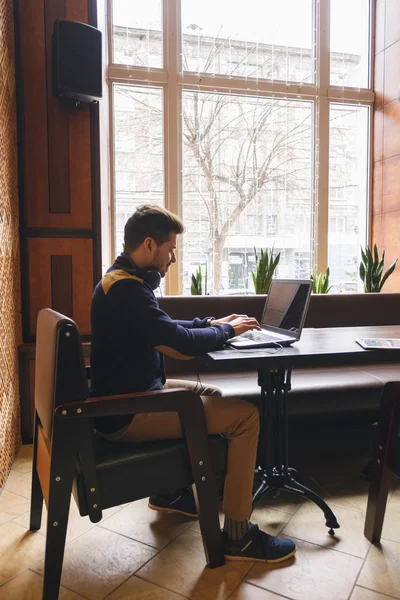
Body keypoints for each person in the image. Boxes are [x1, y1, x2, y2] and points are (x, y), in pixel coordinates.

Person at [90, 204, 295, 564]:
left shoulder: (122, 280)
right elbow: (181, 344)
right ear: (150, 245)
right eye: (170, 249)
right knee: (246, 417)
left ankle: (169, 491)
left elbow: (165, 325)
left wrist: (214, 320)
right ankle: (237, 536)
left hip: (133, 397)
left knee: (213, 395)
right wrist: (227, 330)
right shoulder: (127, 291)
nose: (172, 258)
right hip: (128, 412)